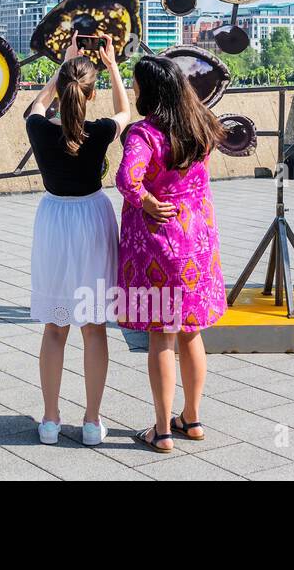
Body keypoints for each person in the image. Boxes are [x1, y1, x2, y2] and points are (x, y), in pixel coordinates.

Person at [115, 55, 226, 454]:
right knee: (191, 332)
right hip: (197, 244)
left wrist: (145, 199)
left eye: (137, 84)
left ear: (149, 91)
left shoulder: (144, 134)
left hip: (160, 244)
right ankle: (192, 419)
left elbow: (128, 178)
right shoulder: (202, 126)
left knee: (161, 337)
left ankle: (162, 431)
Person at [25, 33, 130, 447]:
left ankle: (50, 421)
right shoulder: (101, 131)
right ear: (91, 91)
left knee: (54, 327)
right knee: (94, 327)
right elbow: (125, 110)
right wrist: (113, 65)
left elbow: (36, 106)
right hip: (92, 217)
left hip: (53, 219)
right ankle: (91, 422)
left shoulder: (38, 129)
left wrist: (61, 67)